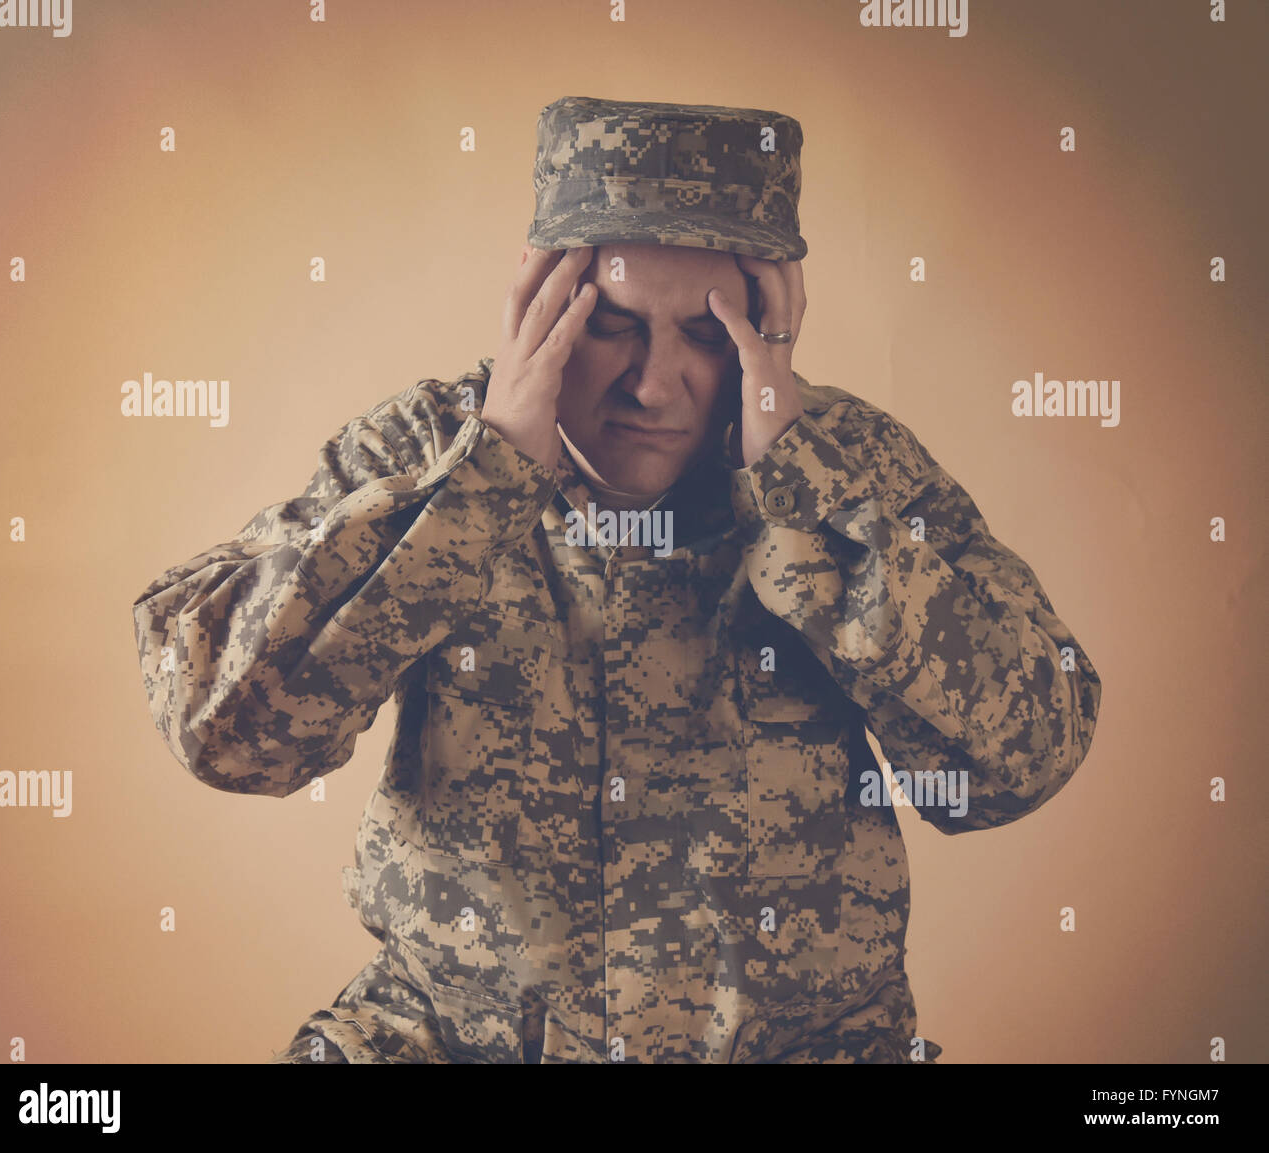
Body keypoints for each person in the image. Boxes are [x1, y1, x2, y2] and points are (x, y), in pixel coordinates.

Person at [131, 96, 1102, 1063]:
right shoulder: (427, 451)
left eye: (712, 335)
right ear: (538, 300)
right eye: (611, 324)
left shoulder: (843, 468)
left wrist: (800, 505)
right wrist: (483, 480)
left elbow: (1016, 763)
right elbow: (227, 729)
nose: (651, 383)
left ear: (773, 321)